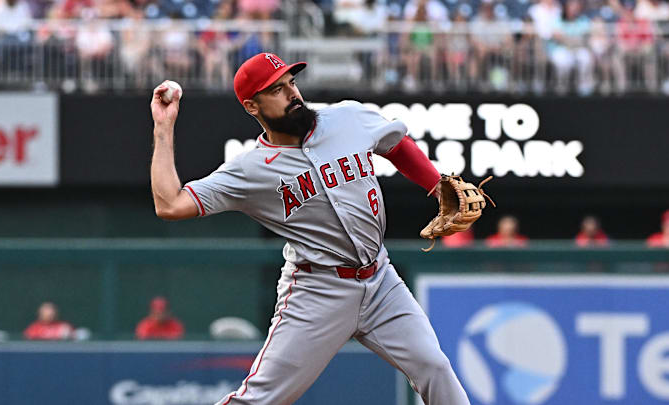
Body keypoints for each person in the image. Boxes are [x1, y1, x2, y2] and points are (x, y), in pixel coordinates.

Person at [149, 52, 470, 404]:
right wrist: (163, 129)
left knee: (435, 367)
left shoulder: (347, 118)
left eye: (291, 83)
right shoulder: (249, 170)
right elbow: (170, 204)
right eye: (276, 90)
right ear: (252, 106)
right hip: (318, 291)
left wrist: (435, 184)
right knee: (259, 399)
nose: (292, 95)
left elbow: (395, 143)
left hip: (381, 281)